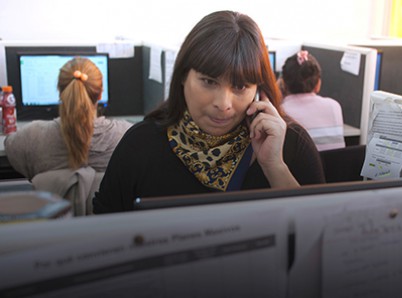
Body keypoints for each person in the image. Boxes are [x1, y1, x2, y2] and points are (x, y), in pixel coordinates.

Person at [93, 10, 326, 214]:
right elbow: (103, 229)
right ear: (184, 76)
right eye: (208, 81)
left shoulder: (290, 144)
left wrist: (274, 166)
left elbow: (322, 234)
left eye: (240, 86)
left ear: (259, 89)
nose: (223, 103)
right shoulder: (141, 144)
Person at [4, 57, 133, 180]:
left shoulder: (32, 136)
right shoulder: (126, 135)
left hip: (54, 203)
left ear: (60, 93)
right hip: (105, 203)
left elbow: (9, 144)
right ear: (100, 94)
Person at [280, 50, 345, 151]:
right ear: (318, 84)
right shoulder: (334, 106)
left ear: (283, 83)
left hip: (304, 166)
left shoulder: (282, 111)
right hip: (335, 166)